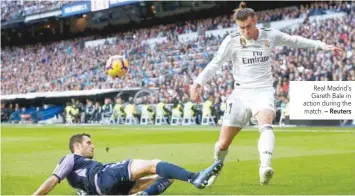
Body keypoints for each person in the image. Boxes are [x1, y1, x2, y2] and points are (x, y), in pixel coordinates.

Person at [190, 2, 343, 186]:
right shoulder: (231, 41)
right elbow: (215, 64)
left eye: (248, 26)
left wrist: (321, 46)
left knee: (266, 122)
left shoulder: (269, 34)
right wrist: (197, 83)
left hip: (263, 91)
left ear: (254, 21)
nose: (245, 31)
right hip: (240, 93)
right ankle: (216, 166)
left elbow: (294, 40)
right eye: (241, 28)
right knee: (223, 145)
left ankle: (265, 167)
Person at [33, 133, 222, 195]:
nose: (93, 146)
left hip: (109, 190)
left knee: (167, 175)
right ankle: (195, 178)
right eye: (88, 143)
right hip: (104, 176)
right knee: (153, 163)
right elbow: (53, 179)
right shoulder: (70, 158)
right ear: (76, 146)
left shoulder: (78, 179)